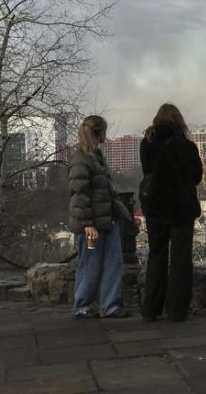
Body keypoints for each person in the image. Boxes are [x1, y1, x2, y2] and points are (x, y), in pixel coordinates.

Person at [139, 103, 203, 322]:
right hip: (180, 208)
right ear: (179, 121)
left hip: (154, 207)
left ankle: (151, 308)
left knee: (156, 255)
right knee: (180, 258)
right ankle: (176, 310)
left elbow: (147, 172)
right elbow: (196, 177)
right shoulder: (185, 146)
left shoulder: (146, 143)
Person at [68, 115, 129, 318]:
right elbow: (79, 193)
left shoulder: (94, 155)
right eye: (104, 131)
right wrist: (86, 224)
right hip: (93, 223)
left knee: (114, 261)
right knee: (90, 265)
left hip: (106, 218)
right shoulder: (82, 158)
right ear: (99, 132)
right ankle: (81, 305)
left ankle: (110, 305)